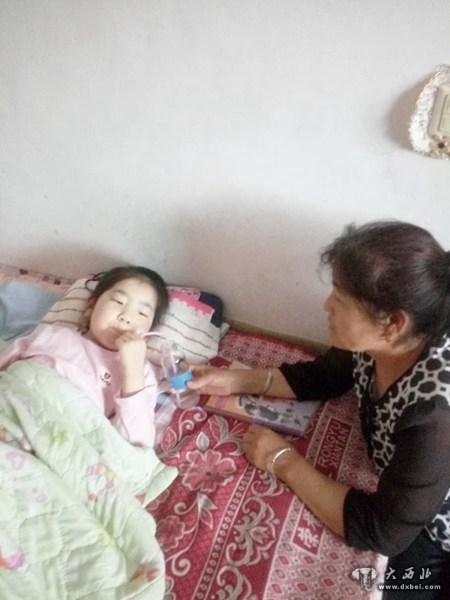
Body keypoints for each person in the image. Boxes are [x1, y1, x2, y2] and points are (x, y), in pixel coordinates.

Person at [189, 221, 450, 598]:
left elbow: (382, 532)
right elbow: (327, 376)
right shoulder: (385, 341)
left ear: (393, 324)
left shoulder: (435, 416)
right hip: (407, 493)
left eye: (339, 300)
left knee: (372, 582)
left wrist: (283, 461)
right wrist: (235, 380)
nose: (326, 306)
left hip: (434, 528)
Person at [0, 266, 169, 447]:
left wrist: (133, 372)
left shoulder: (141, 374)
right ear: (91, 305)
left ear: (149, 330)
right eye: (119, 301)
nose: (126, 317)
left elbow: (137, 443)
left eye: (142, 313)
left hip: (56, 440)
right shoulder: (53, 335)